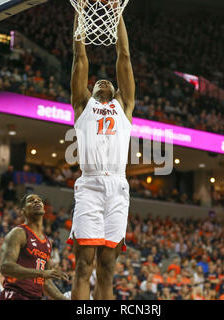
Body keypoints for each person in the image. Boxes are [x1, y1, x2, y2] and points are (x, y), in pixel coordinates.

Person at [67, 10, 135, 300]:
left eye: (108, 82)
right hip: (91, 185)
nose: (104, 81)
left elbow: (124, 55)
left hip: (118, 187)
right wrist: (80, 12)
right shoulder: (82, 104)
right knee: (84, 265)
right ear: (90, 89)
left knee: (108, 268)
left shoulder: (124, 105)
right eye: (98, 82)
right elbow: (80, 56)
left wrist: (117, 12)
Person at [0, 194, 68, 300]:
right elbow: (5, 267)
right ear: (23, 210)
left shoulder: (47, 242)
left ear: (44, 209)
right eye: (31, 200)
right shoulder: (19, 232)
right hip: (16, 294)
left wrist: (63, 299)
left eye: (39, 200)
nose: (36, 202)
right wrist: (42, 273)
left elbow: (45, 282)